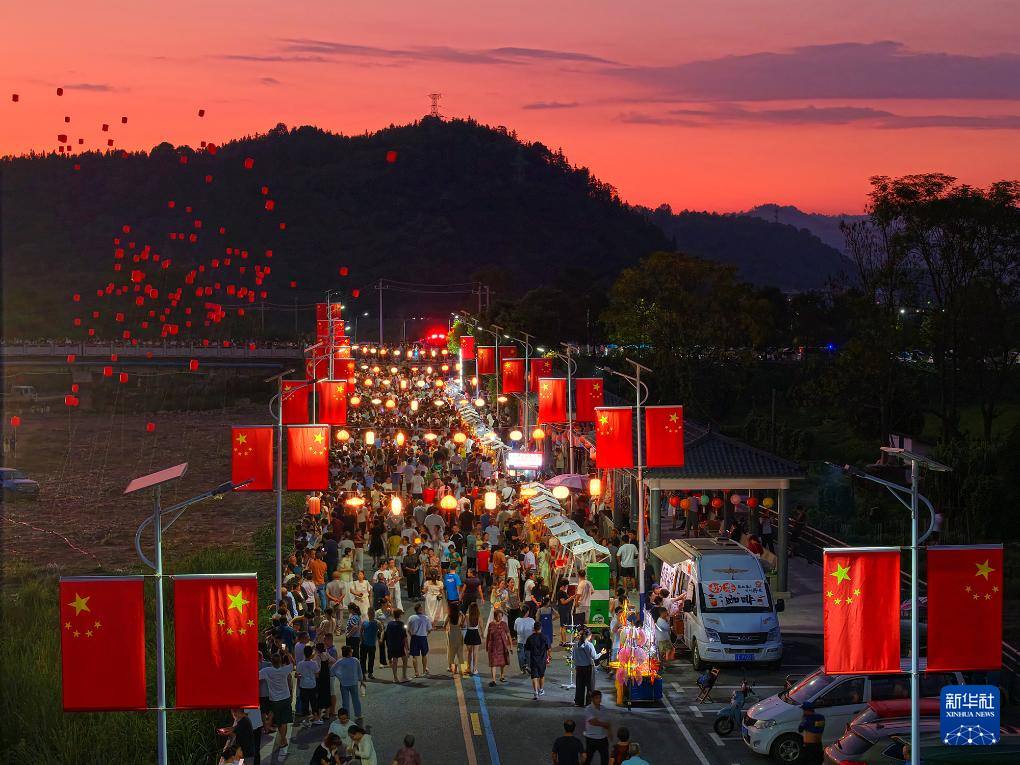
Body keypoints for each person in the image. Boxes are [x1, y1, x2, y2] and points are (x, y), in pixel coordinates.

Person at [259, 652, 294, 759]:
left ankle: (283, 739)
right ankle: (283, 739)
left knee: (279, 721)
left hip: (274, 700)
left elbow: (255, 676)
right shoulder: (284, 670)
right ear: (280, 662)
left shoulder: (267, 671)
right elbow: (293, 663)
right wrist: (287, 653)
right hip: (286, 698)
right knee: (284, 721)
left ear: (271, 662)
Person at [330, 645, 366, 721]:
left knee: (345, 701)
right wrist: (361, 681)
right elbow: (359, 671)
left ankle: (347, 716)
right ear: (349, 652)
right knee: (356, 699)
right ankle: (358, 714)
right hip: (354, 683)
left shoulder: (340, 661)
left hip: (344, 684)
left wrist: (339, 676)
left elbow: (332, 671)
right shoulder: (355, 660)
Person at [572, 628, 603, 707]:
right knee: (590, 686)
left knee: (579, 686)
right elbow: (595, 657)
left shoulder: (576, 644)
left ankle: (578, 702)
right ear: (589, 636)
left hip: (579, 667)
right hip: (588, 668)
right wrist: (601, 653)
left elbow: (573, 657)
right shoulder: (589, 645)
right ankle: (589, 703)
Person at [485, 608, 512, 686]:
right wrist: (486, 645)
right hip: (492, 647)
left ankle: (502, 676)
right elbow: (488, 636)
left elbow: (508, 635)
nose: (500, 618)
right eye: (498, 616)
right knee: (493, 663)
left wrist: (510, 646)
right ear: (494, 616)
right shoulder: (491, 624)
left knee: (502, 662)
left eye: (501, 616)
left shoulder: (504, 624)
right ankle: (493, 680)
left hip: (502, 646)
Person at [584, 690, 611, 765]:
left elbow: (607, 722)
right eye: (597, 698)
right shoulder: (588, 709)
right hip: (591, 738)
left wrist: (609, 731)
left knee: (605, 760)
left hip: (603, 738)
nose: (599, 700)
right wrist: (605, 725)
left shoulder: (604, 709)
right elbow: (592, 722)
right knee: (587, 759)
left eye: (600, 697)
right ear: (592, 699)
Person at [525, 620, 550, 700]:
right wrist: (548, 657)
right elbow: (548, 648)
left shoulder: (530, 638)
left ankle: (535, 692)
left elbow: (527, 649)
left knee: (534, 677)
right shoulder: (545, 637)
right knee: (542, 675)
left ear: (534, 628)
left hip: (533, 660)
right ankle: (541, 690)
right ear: (541, 628)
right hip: (542, 660)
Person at [407, 602, 433, 677]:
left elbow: (408, 629)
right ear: (421, 609)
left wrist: (411, 635)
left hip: (414, 638)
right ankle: (424, 671)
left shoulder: (411, 617)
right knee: (424, 655)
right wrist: (426, 634)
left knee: (414, 656)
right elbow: (430, 629)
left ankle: (416, 673)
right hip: (423, 638)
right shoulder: (426, 618)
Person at [385, 608, 410, 683]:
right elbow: (405, 637)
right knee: (405, 660)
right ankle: (404, 676)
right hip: (400, 645)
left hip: (392, 645)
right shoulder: (401, 624)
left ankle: (395, 678)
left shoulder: (389, 624)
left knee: (395, 661)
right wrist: (407, 648)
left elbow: (387, 635)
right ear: (400, 615)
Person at [515, 604, 537, 674]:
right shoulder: (531, 620)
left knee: (520, 656)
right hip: (529, 641)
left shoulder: (517, 620)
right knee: (529, 655)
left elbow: (515, 629)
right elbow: (535, 629)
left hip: (520, 641)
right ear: (527, 612)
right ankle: (529, 667)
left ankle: (522, 669)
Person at [360, 608, 381, 679]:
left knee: (371, 660)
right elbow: (361, 631)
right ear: (368, 614)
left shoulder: (377, 623)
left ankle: (370, 673)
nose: (371, 614)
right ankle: (363, 673)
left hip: (372, 644)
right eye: (370, 613)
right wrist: (361, 640)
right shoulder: (364, 622)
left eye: (372, 613)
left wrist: (379, 638)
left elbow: (381, 630)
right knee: (363, 660)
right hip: (364, 644)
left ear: (374, 614)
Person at [464, 600, 483, 675]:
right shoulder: (478, 617)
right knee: (475, 653)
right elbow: (481, 627)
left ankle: (469, 668)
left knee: (469, 652)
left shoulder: (467, 616)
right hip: (475, 634)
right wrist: (482, 634)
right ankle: (474, 669)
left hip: (469, 634)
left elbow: (463, 625)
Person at [446, 605, 466, 675]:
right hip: (459, 634)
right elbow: (463, 625)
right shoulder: (460, 615)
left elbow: (444, 625)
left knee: (451, 652)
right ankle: (462, 669)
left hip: (451, 635)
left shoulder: (449, 616)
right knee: (460, 652)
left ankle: (451, 667)